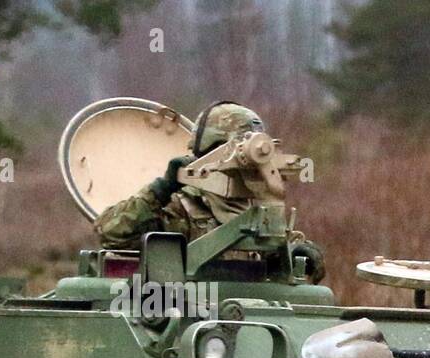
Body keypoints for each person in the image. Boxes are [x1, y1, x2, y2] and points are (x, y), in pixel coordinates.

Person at [94, 101, 325, 281]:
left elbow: (285, 264)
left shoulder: (258, 213)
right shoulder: (179, 209)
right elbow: (111, 233)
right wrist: (161, 189)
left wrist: (301, 253)